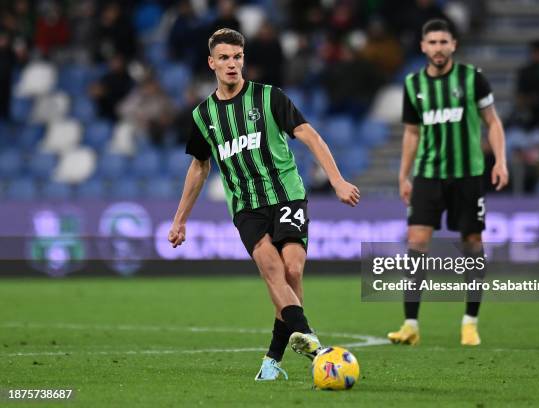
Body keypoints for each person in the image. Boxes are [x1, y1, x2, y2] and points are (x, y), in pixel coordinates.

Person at [168, 28, 360, 380]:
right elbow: (199, 166)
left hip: (286, 193)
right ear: (211, 63)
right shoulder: (203, 116)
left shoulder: (269, 97)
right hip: (246, 205)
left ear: (244, 60)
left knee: (293, 270)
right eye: (224, 58)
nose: (231, 64)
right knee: (272, 269)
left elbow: (310, 136)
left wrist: (337, 180)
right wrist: (180, 219)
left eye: (237, 57)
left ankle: (272, 359)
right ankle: (314, 344)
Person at [388, 19, 508, 347]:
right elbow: (412, 133)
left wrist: (500, 160)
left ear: (453, 44)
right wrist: (403, 174)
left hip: (467, 175)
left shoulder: (472, 79)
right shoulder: (413, 85)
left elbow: (492, 122)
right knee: (416, 243)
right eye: (433, 42)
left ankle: (470, 322)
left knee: (471, 243)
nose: (438, 48)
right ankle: (410, 323)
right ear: (423, 47)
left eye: (444, 42)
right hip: (428, 175)